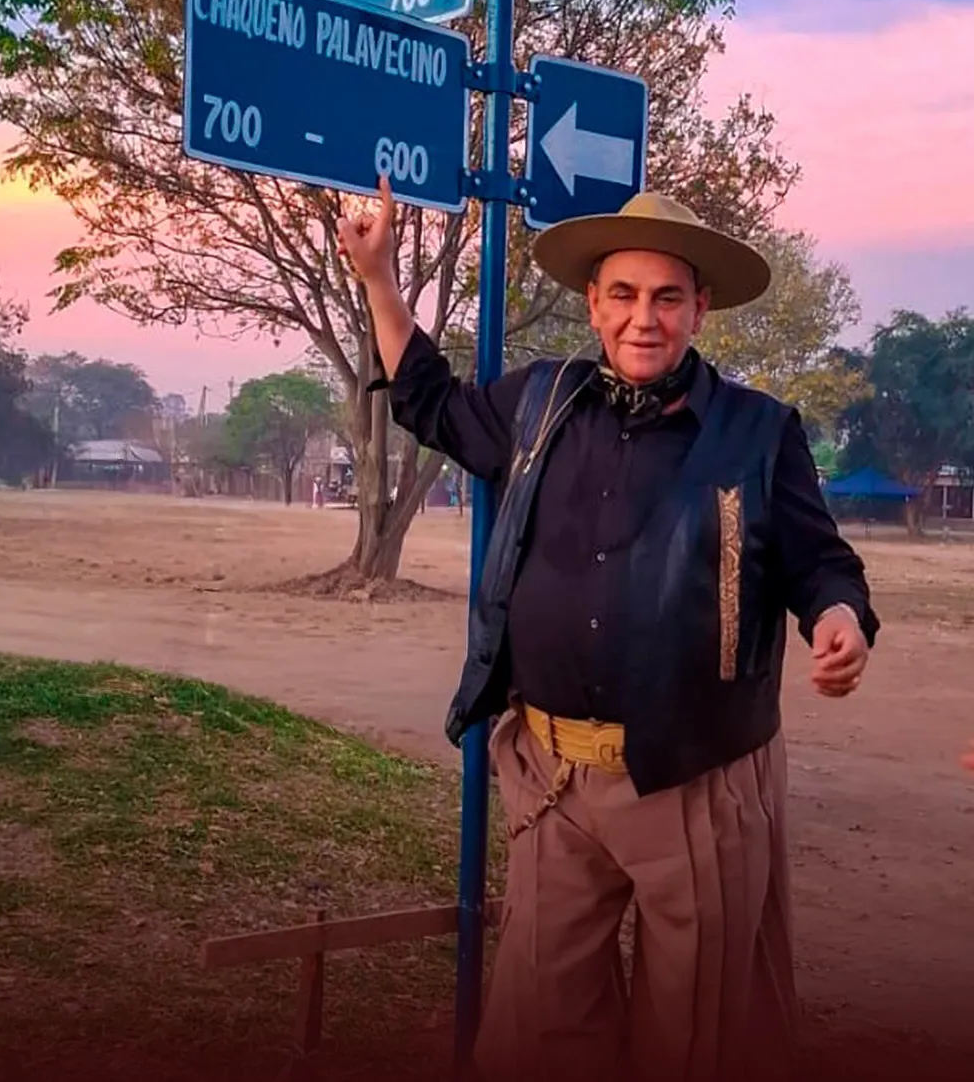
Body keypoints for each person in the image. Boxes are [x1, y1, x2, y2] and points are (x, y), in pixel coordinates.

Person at [337, 179, 880, 1082]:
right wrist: (381, 279)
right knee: (545, 1032)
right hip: (554, 783)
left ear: (700, 308)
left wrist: (837, 621)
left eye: (667, 297)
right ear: (593, 304)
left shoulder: (759, 432)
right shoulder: (538, 405)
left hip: (696, 786)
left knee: (696, 1039)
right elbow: (429, 402)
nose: (644, 319)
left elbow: (823, 566)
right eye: (623, 296)